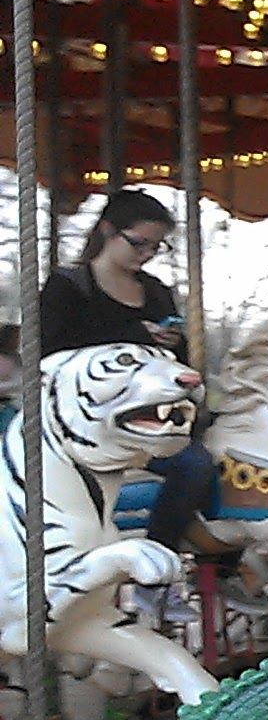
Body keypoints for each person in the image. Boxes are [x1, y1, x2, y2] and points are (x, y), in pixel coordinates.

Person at [39, 190, 208, 622]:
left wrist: (171, 344)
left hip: (143, 421)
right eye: (139, 243)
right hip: (89, 421)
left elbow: (179, 367)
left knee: (199, 463)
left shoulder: (155, 292)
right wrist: (133, 339)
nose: (147, 255)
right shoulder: (68, 288)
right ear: (108, 232)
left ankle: (160, 577)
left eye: (156, 246)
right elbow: (51, 356)